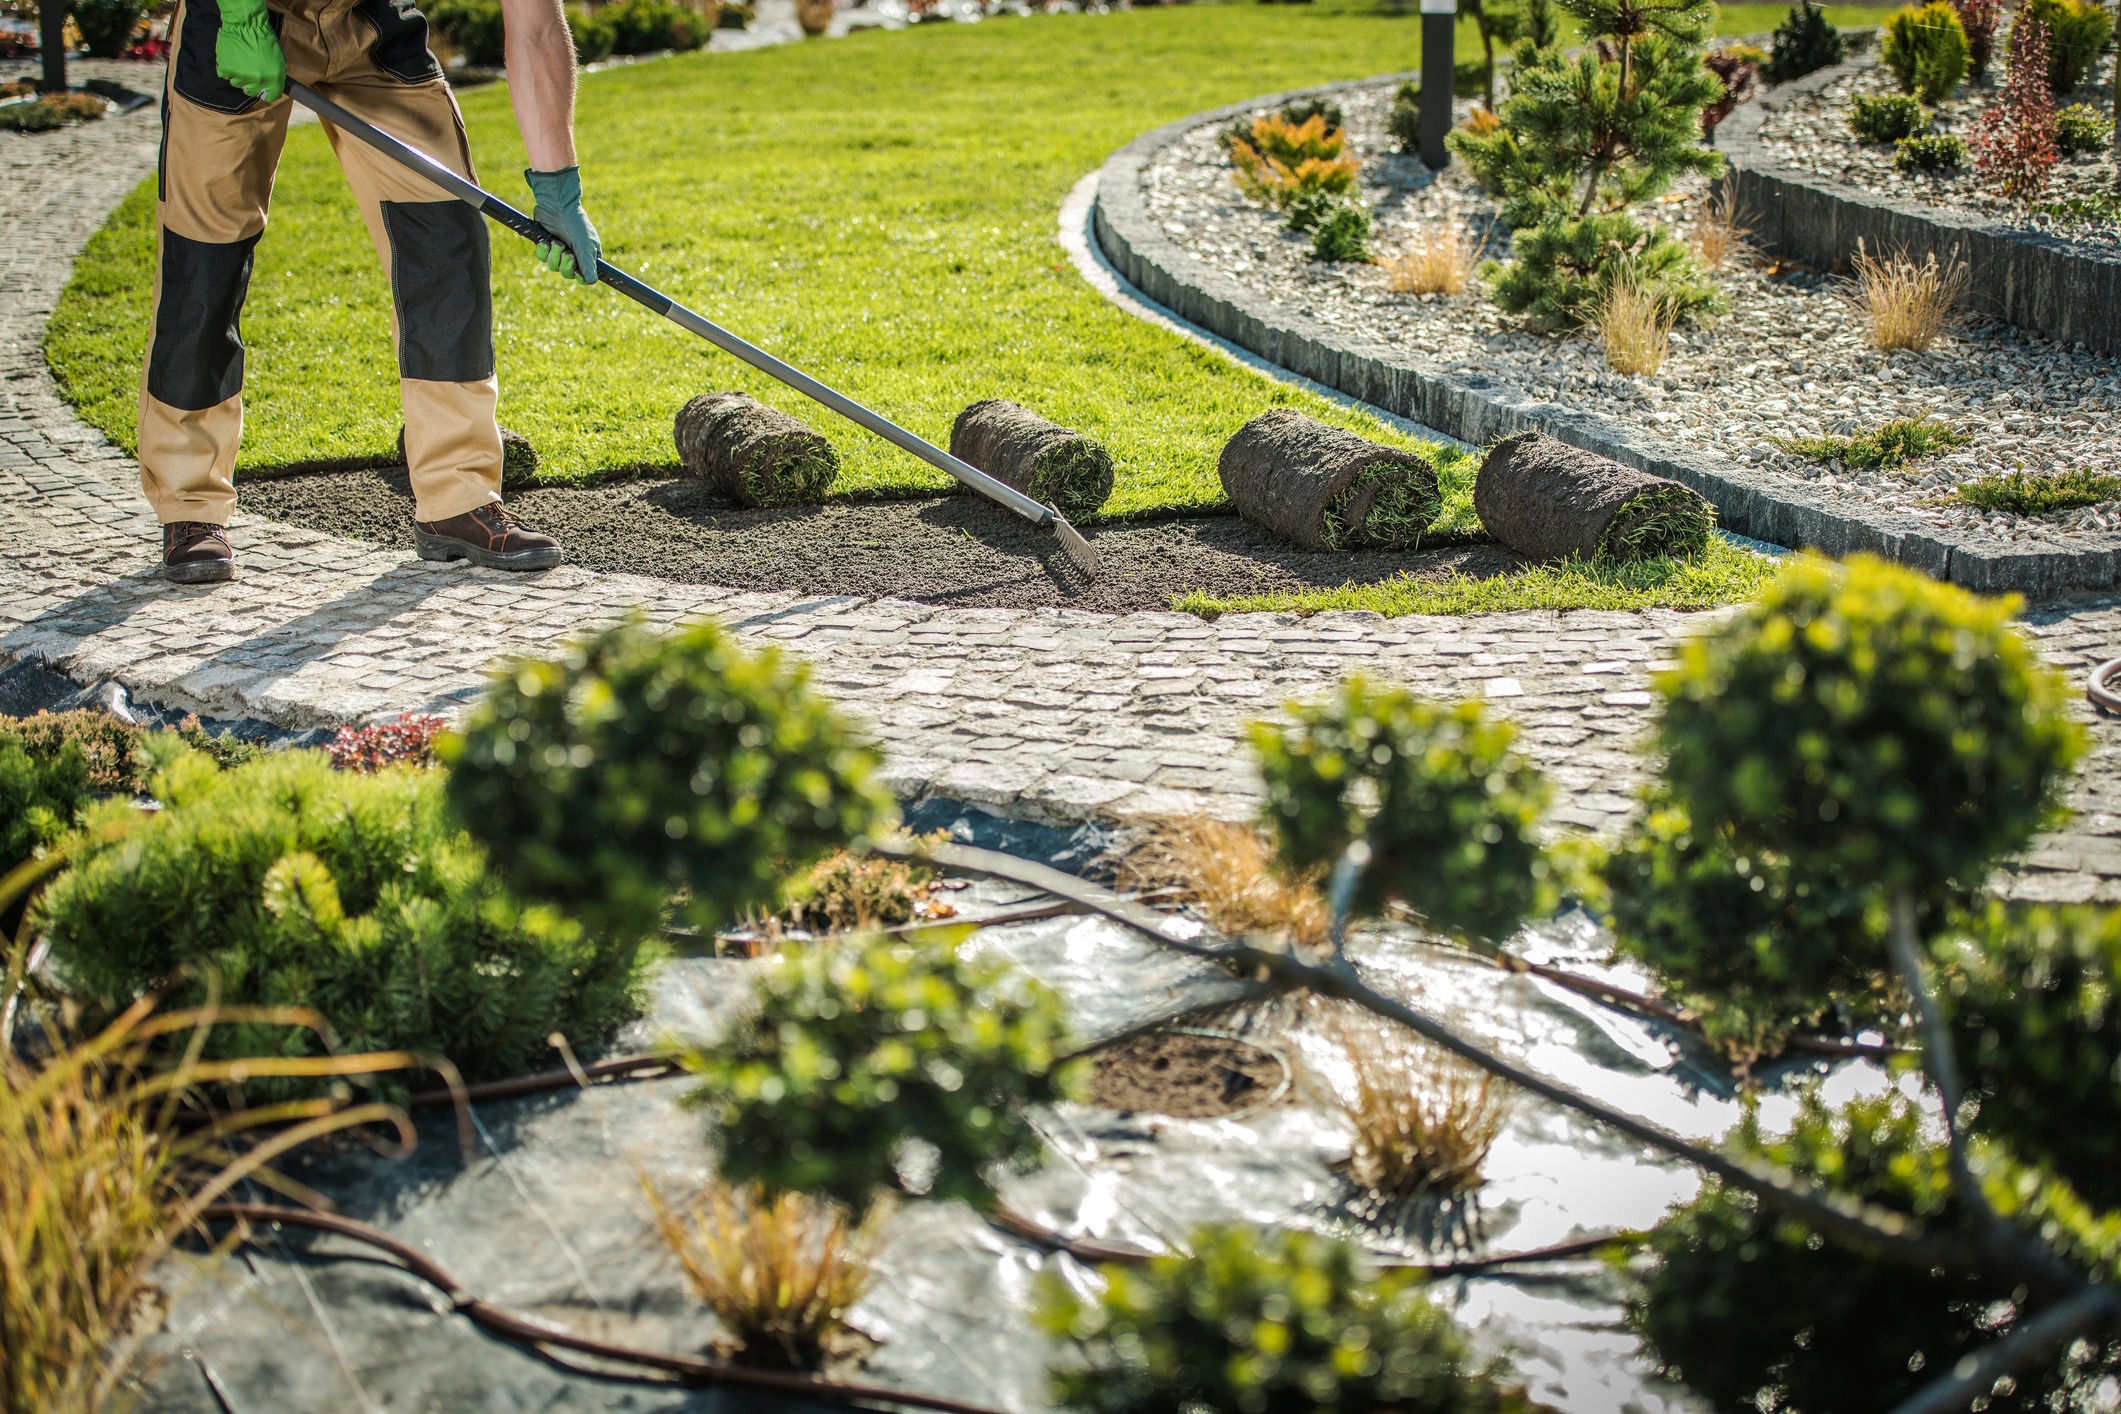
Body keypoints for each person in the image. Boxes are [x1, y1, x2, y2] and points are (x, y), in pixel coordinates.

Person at [142, 0, 600, 583]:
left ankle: (457, 497)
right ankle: (190, 506)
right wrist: (240, 18)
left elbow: (535, 28)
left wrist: (558, 186)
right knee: (205, 257)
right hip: (244, 19)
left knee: (444, 237)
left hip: (371, 24)